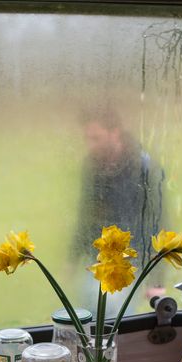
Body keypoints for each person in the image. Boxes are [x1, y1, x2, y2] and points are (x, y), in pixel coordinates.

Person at [72, 107, 167, 314]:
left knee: (113, 313)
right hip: (98, 255)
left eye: (96, 138)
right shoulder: (91, 165)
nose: (91, 145)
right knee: (83, 312)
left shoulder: (144, 167)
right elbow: (85, 214)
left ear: (115, 132)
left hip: (132, 258)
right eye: (87, 138)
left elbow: (159, 221)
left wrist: (156, 279)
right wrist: (72, 258)